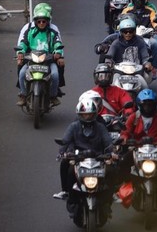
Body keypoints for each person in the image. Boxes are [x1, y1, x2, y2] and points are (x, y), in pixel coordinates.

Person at [53, 93, 116, 223]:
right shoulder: (73, 126)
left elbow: (108, 142)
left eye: (90, 114)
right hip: (78, 159)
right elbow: (65, 141)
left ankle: (109, 199)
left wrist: (112, 153)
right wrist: (63, 153)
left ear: (95, 114)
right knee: (68, 169)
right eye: (84, 114)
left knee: (111, 170)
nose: (87, 117)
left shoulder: (100, 127)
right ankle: (68, 194)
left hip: (98, 158)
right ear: (79, 114)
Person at [119, 89, 157, 195]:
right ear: (140, 105)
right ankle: (127, 184)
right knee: (123, 161)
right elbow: (126, 130)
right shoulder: (134, 116)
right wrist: (124, 138)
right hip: (138, 148)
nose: (148, 107)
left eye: (150, 105)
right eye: (145, 105)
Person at [16, 7, 64, 107]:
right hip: (31, 60)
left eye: (43, 21)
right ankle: (23, 95)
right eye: (39, 21)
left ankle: (53, 96)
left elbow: (57, 43)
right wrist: (20, 52)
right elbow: (23, 43)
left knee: (55, 75)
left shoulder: (52, 32)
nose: (41, 23)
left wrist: (58, 53)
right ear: (36, 22)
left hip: (48, 61)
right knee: (21, 74)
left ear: (47, 22)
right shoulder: (29, 32)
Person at [121, 0, 157, 78]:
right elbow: (121, 20)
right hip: (129, 35)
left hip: (145, 37)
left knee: (155, 44)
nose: (138, 1)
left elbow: (154, 20)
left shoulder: (150, 10)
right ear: (132, 0)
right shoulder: (127, 10)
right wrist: (118, 26)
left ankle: (153, 68)